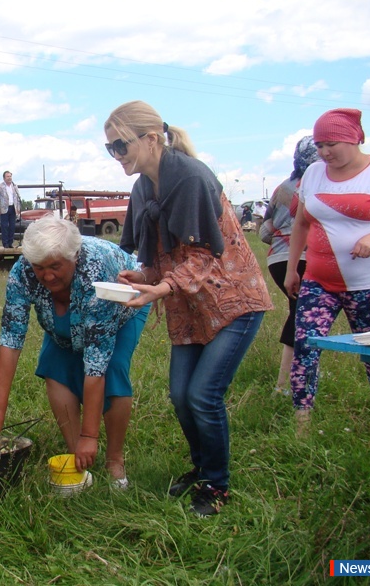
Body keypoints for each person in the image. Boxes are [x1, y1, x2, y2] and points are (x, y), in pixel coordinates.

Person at [104, 100, 272, 517]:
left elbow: (202, 258)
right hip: (190, 307)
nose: (117, 156)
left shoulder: (193, 177)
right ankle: (202, 470)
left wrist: (159, 287)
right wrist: (143, 278)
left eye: (121, 146)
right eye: (110, 149)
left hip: (233, 301)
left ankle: (217, 486)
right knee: (180, 395)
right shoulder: (144, 187)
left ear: (151, 138)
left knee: (203, 395)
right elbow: (161, 257)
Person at [0, 217, 150, 488]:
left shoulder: (96, 270)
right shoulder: (22, 271)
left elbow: (95, 366)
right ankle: (77, 457)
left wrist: (91, 435)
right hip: (60, 320)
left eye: (55, 266)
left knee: (113, 370)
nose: (47, 275)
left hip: (121, 310)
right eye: (40, 267)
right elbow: (10, 342)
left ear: (74, 257)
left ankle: (114, 459)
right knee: (55, 367)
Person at [284, 108, 370, 434]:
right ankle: (302, 422)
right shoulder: (313, 173)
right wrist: (292, 268)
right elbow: (300, 222)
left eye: (331, 144)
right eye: (320, 145)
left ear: (353, 139)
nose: (325, 152)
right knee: (306, 346)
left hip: (366, 284)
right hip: (318, 281)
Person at [259, 137, 319, 393]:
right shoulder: (318, 184)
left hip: (277, 260)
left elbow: (264, 231)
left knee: (299, 312)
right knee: (302, 315)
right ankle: (287, 382)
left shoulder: (282, 188)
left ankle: (292, 378)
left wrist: (281, 235)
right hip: (305, 257)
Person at [0, 170, 22, 248]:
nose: (9, 178)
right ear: (4, 178)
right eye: (8, 176)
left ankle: (10, 242)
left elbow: (17, 197)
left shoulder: (14, 186)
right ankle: (5, 243)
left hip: (13, 207)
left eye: (10, 176)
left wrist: (18, 207)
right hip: (4, 208)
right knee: (5, 226)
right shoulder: (0, 187)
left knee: (12, 226)